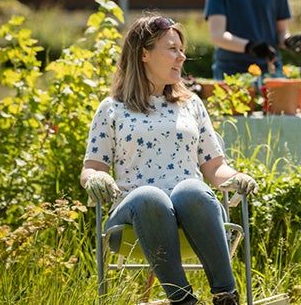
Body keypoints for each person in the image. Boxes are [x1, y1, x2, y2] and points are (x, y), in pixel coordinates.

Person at [80, 15, 258, 305]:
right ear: (144, 54)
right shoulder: (112, 108)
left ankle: (227, 296)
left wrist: (236, 177)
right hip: (132, 219)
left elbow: (214, 168)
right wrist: (97, 178)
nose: (182, 56)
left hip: (195, 216)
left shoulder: (191, 104)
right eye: (172, 48)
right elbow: (92, 168)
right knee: (150, 197)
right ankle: (183, 300)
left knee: (191, 189)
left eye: (181, 49)